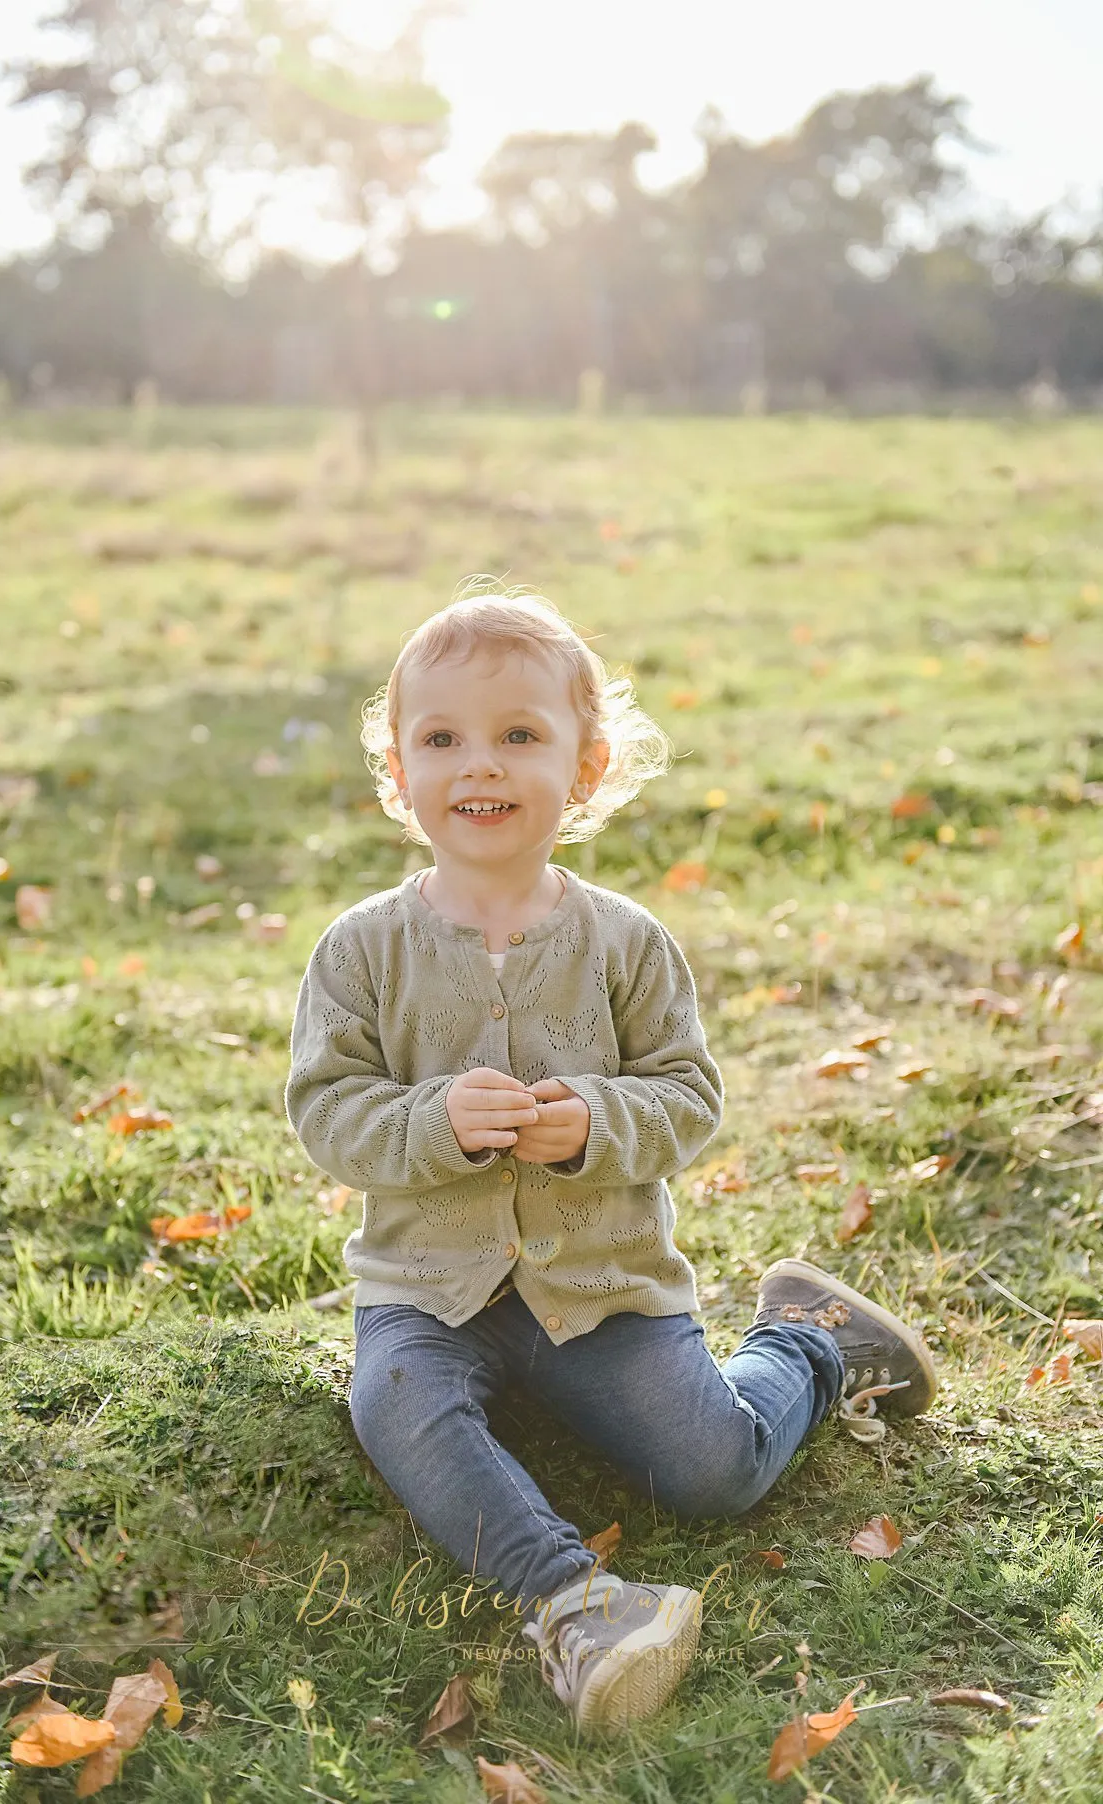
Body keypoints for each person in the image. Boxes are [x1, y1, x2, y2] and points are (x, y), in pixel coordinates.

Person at [284, 584, 937, 1734]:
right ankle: (575, 1601)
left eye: (519, 735)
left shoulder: (627, 944)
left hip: (604, 1286)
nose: (478, 765)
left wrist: (593, 1120)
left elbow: (689, 1097)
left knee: (712, 1470)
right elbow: (328, 1112)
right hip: (430, 1291)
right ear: (400, 767)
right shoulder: (362, 950)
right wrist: (432, 1120)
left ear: (585, 767)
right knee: (392, 1400)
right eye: (442, 738)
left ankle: (814, 1346)